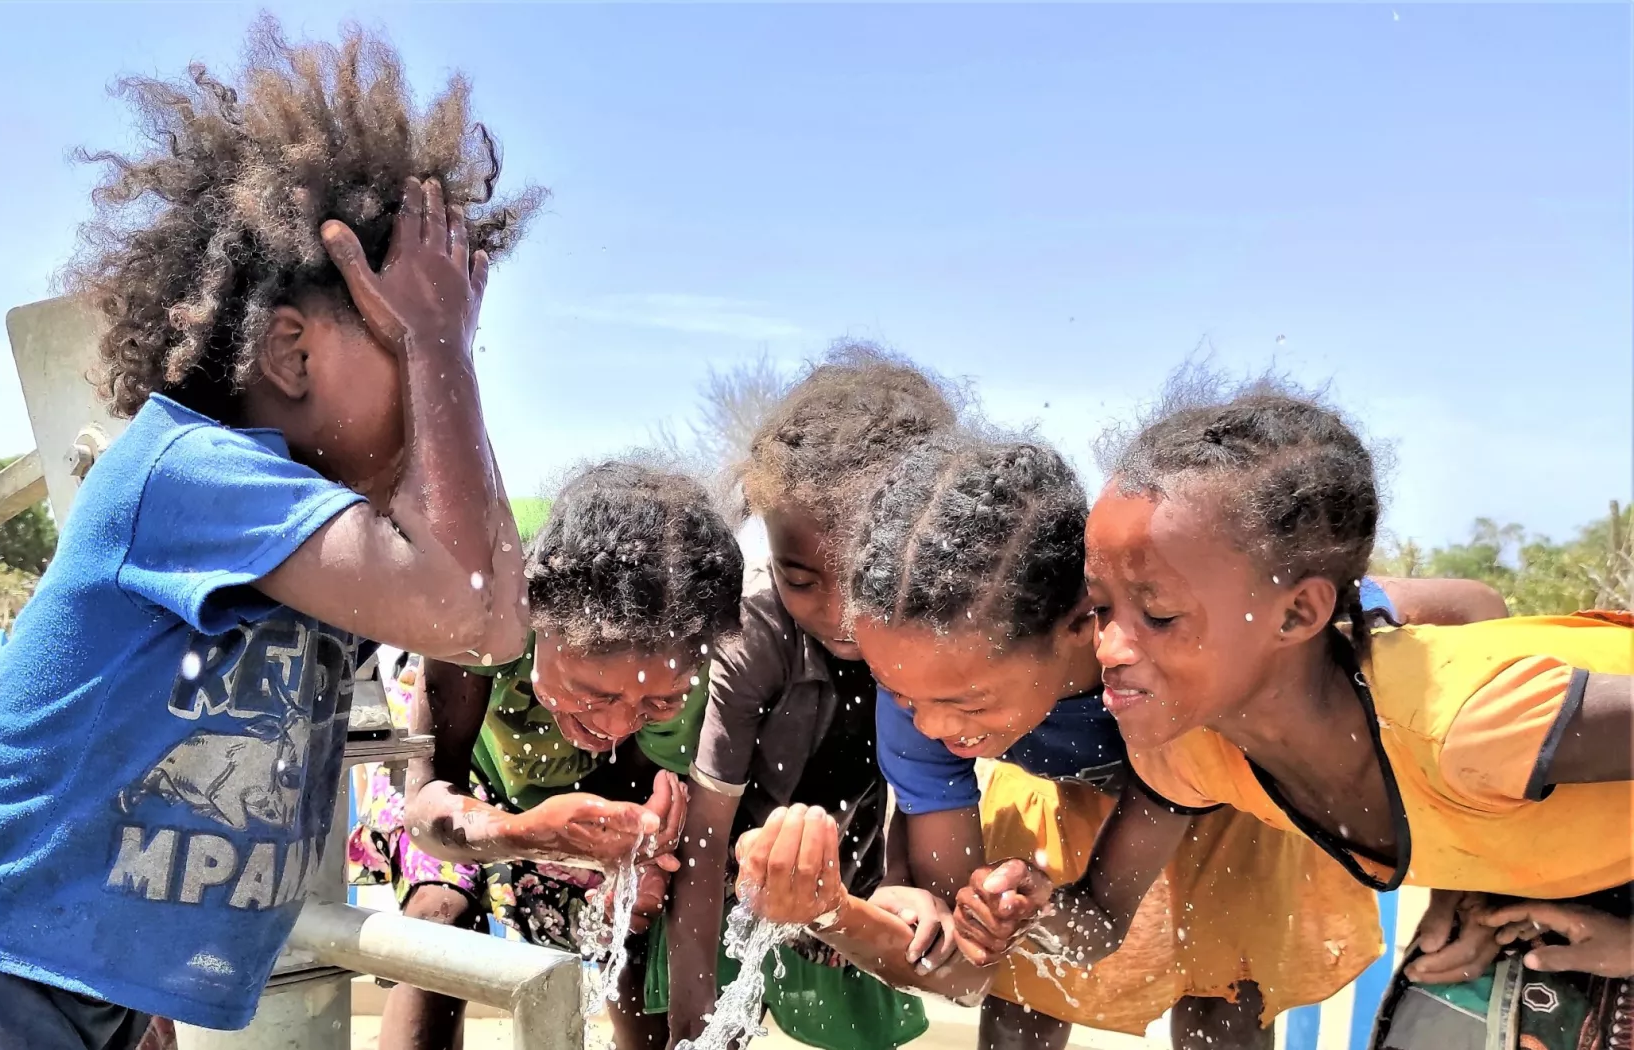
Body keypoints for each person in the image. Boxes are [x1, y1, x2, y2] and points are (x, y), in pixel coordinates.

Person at [0, 18, 539, 1050]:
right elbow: (471, 610)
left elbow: (489, 613)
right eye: (403, 347)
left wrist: (438, 346)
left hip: (96, 1001)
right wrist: (441, 339)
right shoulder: (190, 475)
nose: (440, 395)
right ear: (291, 352)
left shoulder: (322, 538)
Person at [993, 372, 1631, 1011]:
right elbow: (1102, 917)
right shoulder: (1190, 753)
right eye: (1102, 610)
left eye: (1158, 615)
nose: (1110, 648)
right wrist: (1016, 918)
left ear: (1298, 615)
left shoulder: (1468, 728)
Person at [734, 432, 1395, 1044]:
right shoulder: (925, 707)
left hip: (1219, 797)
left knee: (1224, 1007)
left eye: (965, 700)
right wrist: (852, 911)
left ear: (1082, 623)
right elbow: (968, 969)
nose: (930, 727)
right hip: (1068, 791)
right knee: (1022, 1007)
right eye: (901, 693)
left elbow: (1437, 610)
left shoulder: (1171, 663)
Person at [354, 459, 742, 1050]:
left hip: (569, 803)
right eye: (591, 693)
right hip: (464, 784)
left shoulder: (682, 671)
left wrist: (639, 858)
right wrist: (519, 833)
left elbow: (655, 828)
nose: (614, 726)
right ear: (539, 621)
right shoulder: (483, 601)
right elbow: (427, 803)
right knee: (441, 918)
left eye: (652, 706)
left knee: (628, 937)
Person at [659, 345, 960, 1050]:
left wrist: (886, 901)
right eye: (803, 579)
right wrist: (691, 1018)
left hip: (852, 890)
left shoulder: (940, 641)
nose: (840, 612)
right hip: (734, 885)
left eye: (864, 575)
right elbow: (705, 844)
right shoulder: (756, 632)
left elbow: (923, 804)